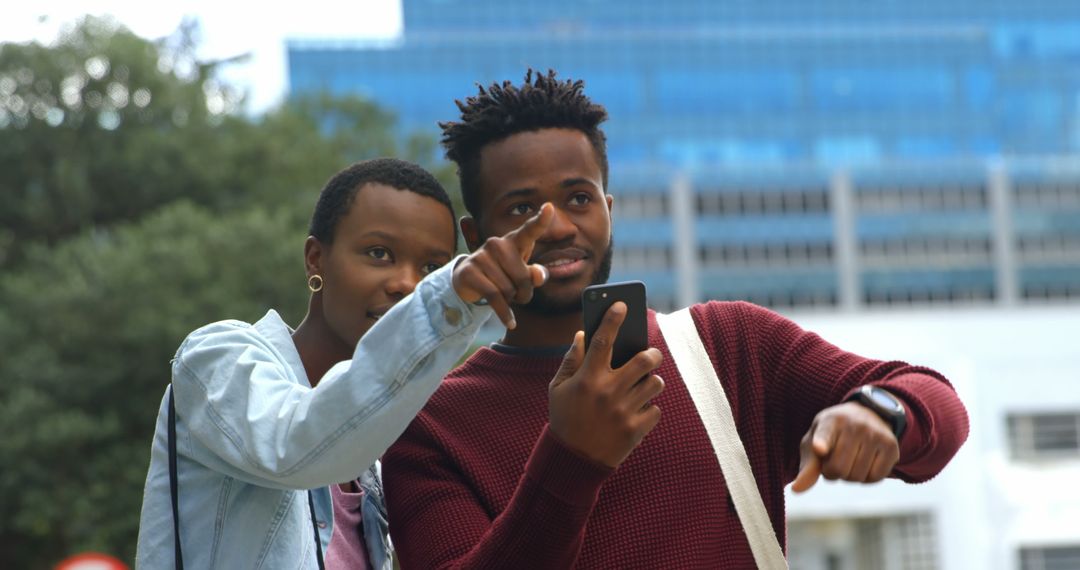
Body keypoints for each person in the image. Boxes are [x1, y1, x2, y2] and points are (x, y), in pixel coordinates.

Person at [382, 71, 971, 569]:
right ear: (477, 237)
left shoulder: (728, 345)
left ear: (609, 211)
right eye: (521, 209)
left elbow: (933, 399)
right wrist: (572, 457)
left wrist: (879, 415)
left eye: (579, 198)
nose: (557, 225)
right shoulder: (428, 428)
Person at [136, 157, 555, 569]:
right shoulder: (217, 359)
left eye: (432, 267)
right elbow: (297, 443)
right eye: (379, 253)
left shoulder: (375, 458)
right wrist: (447, 299)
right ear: (315, 259)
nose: (406, 284)